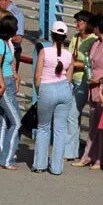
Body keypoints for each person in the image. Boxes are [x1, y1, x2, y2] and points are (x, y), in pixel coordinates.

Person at [73, 13, 103, 170]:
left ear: (98, 27)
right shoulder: (96, 42)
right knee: (94, 123)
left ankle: (99, 158)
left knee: (102, 125)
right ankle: (89, 156)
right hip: (94, 88)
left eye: (93, 26)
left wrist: (100, 79)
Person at [33, 20, 75, 175]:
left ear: (51, 34)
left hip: (47, 89)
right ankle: (57, 167)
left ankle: (40, 164)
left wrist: (40, 91)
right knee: (60, 129)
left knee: (43, 127)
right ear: (64, 37)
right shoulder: (69, 55)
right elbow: (69, 78)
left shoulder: (44, 52)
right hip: (64, 90)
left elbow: (37, 76)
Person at [0, 14, 23, 170]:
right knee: (16, 122)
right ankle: (7, 158)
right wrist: (2, 85)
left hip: (9, 82)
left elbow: (11, 63)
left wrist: (15, 76)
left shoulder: (8, 43)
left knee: (4, 120)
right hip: (2, 85)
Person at [66, 9, 96, 161]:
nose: (77, 24)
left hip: (85, 80)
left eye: (80, 21)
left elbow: (92, 62)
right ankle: (71, 148)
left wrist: (77, 64)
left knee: (72, 114)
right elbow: (70, 57)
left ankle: (70, 151)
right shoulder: (76, 38)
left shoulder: (92, 40)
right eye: (76, 21)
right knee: (70, 114)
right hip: (73, 78)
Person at [0, 0, 26, 65]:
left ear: (5, 0)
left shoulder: (16, 14)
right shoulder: (3, 12)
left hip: (12, 52)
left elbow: (18, 39)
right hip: (2, 50)